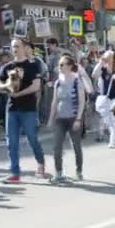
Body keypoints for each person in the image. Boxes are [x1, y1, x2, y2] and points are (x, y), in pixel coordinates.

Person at [0, 38, 47, 184]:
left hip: (28, 108)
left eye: (17, 46)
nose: (14, 49)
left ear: (25, 48)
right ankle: (15, 172)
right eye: (13, 47)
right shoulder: (7, 67)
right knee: (11, 142)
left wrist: (19, 93)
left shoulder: (33, 65)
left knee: (32, 139)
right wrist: (8, 85)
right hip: (12, 109)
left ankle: (40, 163)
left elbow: (36, 86)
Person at [47, 55, 86, 183]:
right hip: (60, 119)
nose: (60, 67)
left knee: (76, 146)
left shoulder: (77, 81)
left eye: (62, 64)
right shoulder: (57, 82)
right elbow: (54, 102)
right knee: (57, 147)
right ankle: (58, 173)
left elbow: (82, 101)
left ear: (69, 66)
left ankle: (79, 170)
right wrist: (50, 119)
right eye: (60, 65)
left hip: (73, 118)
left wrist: (78, 119)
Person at [93, 50, 115, 147]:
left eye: (108, 57)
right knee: (108, 120)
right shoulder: (103, 69)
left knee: (113, 119)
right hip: (105, 98)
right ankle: (114, 133)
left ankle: (112, 139)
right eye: (105, 57)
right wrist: (100, 62)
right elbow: (94, 75)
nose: (106, 59)